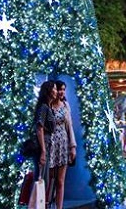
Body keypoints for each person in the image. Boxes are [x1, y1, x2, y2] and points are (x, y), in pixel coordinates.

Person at [50, 81, 77, 209]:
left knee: (60, 181)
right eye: (60, 89)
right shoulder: (47, 106)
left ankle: (59, 207)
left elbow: (69, 126)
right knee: (49, 180)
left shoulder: (65, 105)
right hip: (50, 143)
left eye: (64, 89)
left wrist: (73, 146)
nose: (62, 92)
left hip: (63, 144)